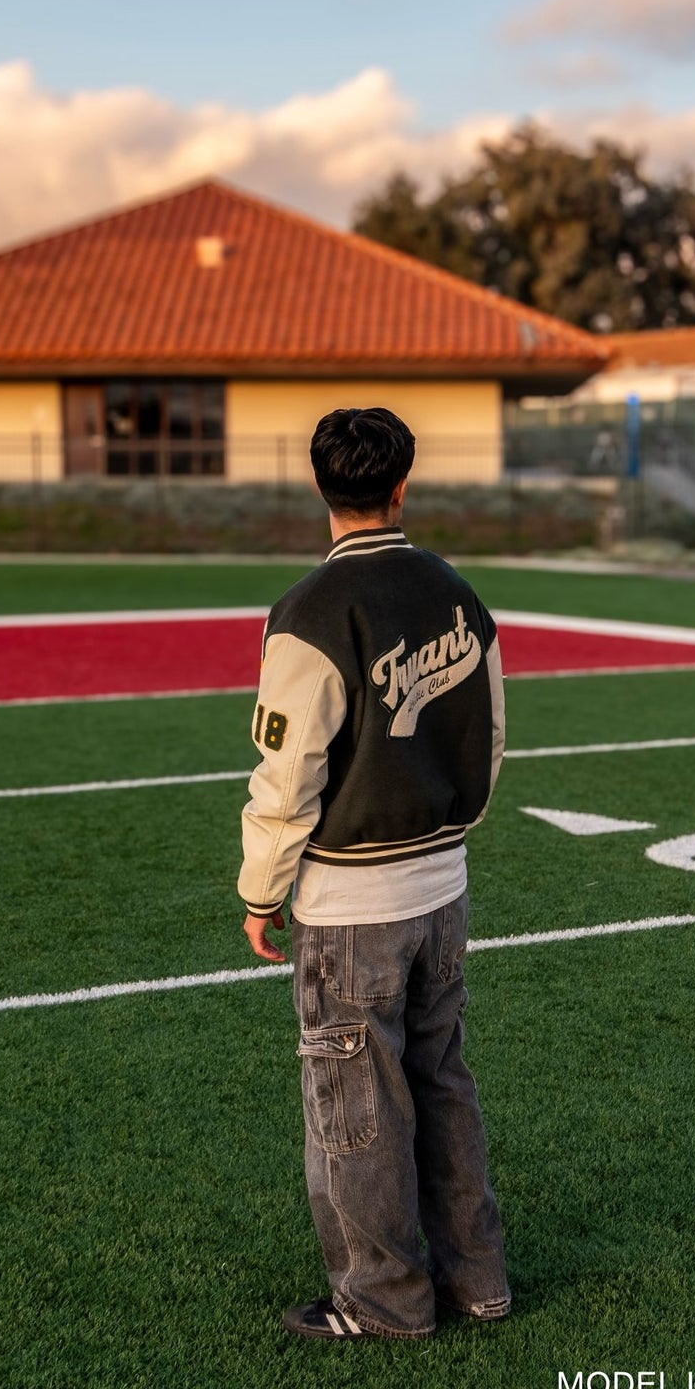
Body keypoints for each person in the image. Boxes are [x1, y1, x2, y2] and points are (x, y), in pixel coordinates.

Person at [238, 406, 510, 1341]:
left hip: (350, 899)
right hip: (443, 884)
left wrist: (259, 888)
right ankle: (478, 1280)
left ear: (320, 487)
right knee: (441, 1080)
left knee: (354, 1103)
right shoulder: (456, 593)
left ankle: (383, 1298)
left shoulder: (309, 612)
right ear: (403, 485)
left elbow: (286, 774)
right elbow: (492, 733)